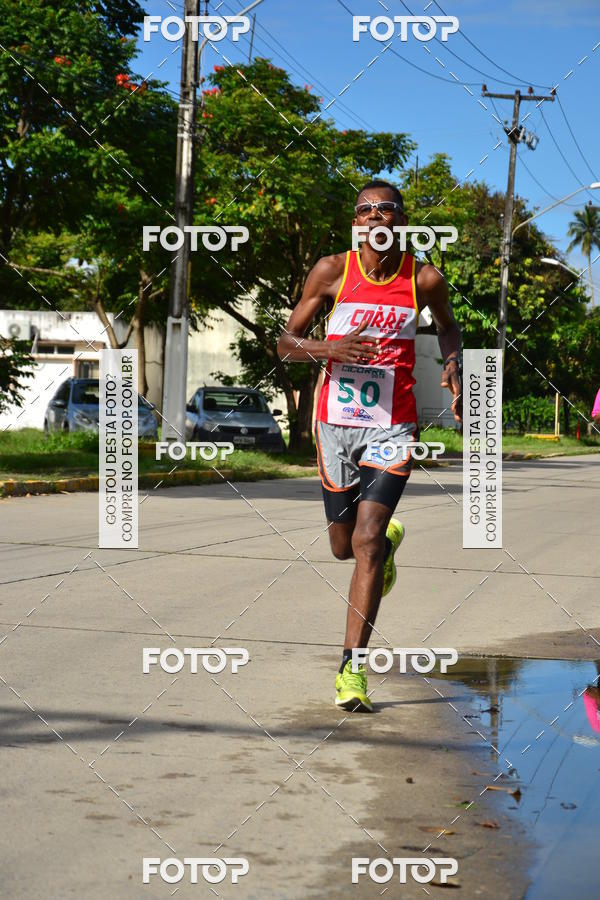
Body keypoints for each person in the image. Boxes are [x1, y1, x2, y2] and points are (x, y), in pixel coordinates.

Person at [277, 180, 462, 711]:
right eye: (366, 211)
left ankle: (352, 671)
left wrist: (453, 364)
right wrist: (328, 346)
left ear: (402, 222)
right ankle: (384, 544)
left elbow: (449, 330)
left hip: (393, 426)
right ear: (355, 223)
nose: (376, 218)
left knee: (366, 541)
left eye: (387, 210)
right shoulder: (332, 272)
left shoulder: (423, 279)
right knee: (342, 545)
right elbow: (285, 344)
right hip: (335, 424)